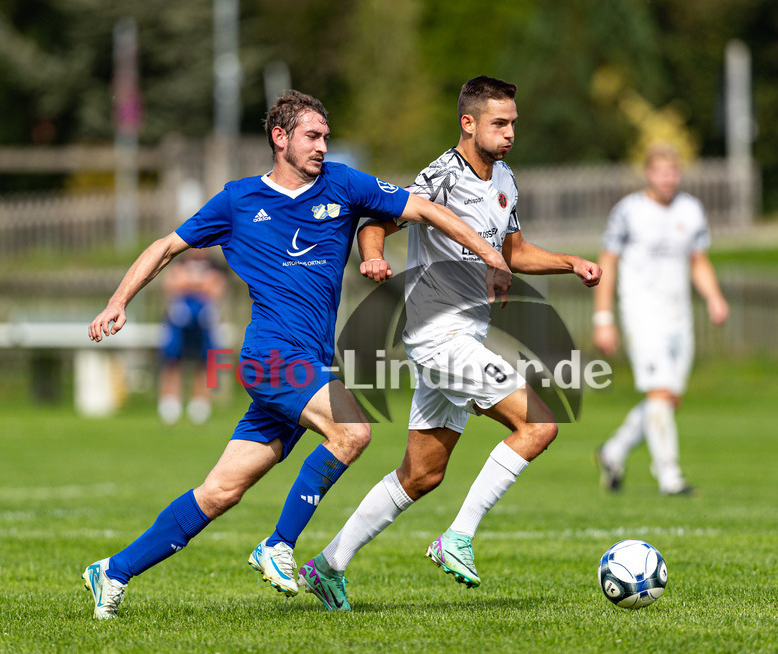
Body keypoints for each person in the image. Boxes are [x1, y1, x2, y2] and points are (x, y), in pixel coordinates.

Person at [81, 90, 513, 619]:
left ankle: (113, 571)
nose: (323, 147)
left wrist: (491, 251)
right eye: (312, 136)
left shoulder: (344, 185)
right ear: (279, 138)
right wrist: (119, 301)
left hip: (310, 363)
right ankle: (279, 546)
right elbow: (166, 246)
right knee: (352, 432)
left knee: (219, 493)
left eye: (327, 136)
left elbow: (423, 208)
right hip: (272, 357)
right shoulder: (237, 200)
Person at [295, 76, 602, 611]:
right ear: (469, 123)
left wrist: (570, 262)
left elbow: (516, 251)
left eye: (513, 123)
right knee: (540, 422)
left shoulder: (504, 177)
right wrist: (371, 256)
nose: (509, 133)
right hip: (440, 337)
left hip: (463, 337)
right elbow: (378, 220)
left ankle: (328, 565)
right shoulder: (441, 176)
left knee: (422, 474)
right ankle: (456, 537)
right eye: (499, 123)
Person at [591, 143, 729, 495]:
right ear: (649, 174)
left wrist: (714, 298)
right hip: (642, 313)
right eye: (661, 172)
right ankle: (670, 477)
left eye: (673, 172)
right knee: (660, 391)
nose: (668, 179)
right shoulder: (629, 211)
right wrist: (603, 317)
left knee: (669, 399)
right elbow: (608, 261)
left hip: (678, 316)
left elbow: (698, 260)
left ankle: (613, 451)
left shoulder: (691, 209)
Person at [156, 250, 226, 425]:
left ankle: (201, 405)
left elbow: (215, 287)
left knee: (205, 361)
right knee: (172, 359)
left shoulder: (215, 265)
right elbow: (173, 284)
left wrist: (188, 284)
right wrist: (199, 284)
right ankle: (170, 404)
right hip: (179, 319)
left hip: (205, 321)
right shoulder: (178, 264)